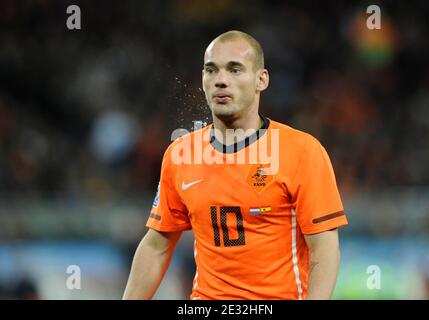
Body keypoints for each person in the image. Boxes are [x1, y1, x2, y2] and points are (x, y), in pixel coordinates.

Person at [123, 30, 348, 300]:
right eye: (211, 70)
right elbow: (157, 245)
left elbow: (324, 246)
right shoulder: (180, 154)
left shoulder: (302, 151)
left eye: (235, 70)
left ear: (261, 80)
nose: (221, 80)